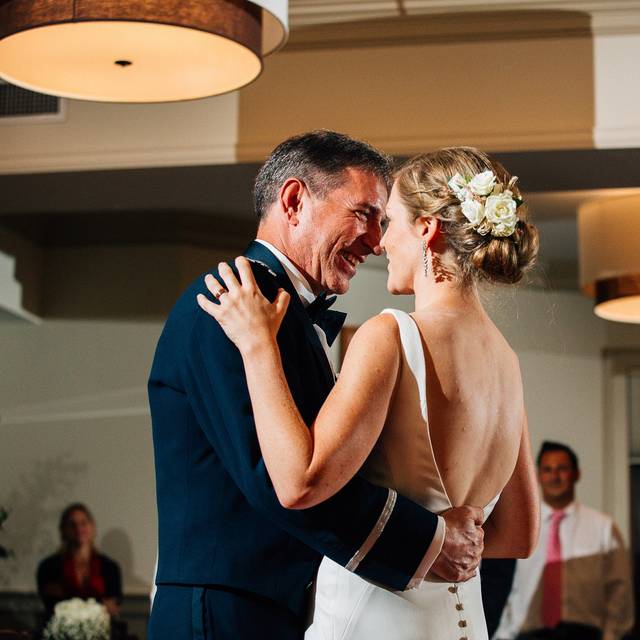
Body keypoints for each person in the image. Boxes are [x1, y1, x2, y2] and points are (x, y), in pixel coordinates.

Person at [148, 132, 489, 640]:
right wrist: (428, 540)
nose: (376, 240)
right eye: (364, 213)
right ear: (293, 201)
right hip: (220, 610)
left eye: (382, 220)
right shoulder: (228, 300)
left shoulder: (278, 311)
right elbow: (278, 478)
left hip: (270, 608)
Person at [492, 441, 634, 640]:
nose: (555, 476)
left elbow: (620, 591)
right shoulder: (520, 527)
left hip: (585, 633)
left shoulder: (604, 528)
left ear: (577, 474)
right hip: (526, 633)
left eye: (562, 469)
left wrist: (611, 636)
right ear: (538, 476)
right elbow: (502, 585)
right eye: (547, 470)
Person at [37, 504, 122, 619]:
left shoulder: (109, 567)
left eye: (83, 523)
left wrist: (70, 602)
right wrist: (99, 606)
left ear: (92, 527)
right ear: (63, 530)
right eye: (72, 525)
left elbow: (113, 605)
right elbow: (53, 605)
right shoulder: (48, 567)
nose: (78, 529)